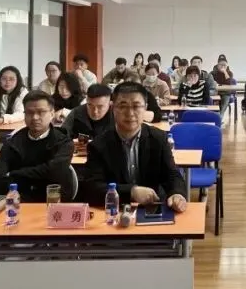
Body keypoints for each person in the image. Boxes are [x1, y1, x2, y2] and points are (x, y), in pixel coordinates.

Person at [81, 82, 188, 212]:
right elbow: (92, 188)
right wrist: (131, 192)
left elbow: (172, 175)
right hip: (116, 212)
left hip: (152, 209)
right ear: (113, 108)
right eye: (123, 106)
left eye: (136, 106)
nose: (130, 113)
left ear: (145, 108)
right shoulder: (98, 145)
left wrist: (177, 193)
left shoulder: (158, 138)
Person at [0, 90, 75, 202]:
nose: (35, 117)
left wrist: (14, 175)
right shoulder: (13, 142)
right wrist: (37, 177)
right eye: (29, 112)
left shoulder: (63, 142)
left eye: (41, 112)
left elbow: (55, 172)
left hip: (55, 201)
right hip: (21, 202)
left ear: (52, 113)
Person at [211, 55, 236, 120]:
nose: (222, 66)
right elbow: (211, 83)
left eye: (224, 65)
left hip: (226, 92)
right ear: (217, 65)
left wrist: (225, 72)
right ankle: (215, 116)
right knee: (214, 100)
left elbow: (229, 83)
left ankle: (220, 117)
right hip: (216, 92)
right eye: (221, 65)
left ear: (227, 66)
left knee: (225, 99)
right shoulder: (213, 73)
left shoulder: (229, 73)